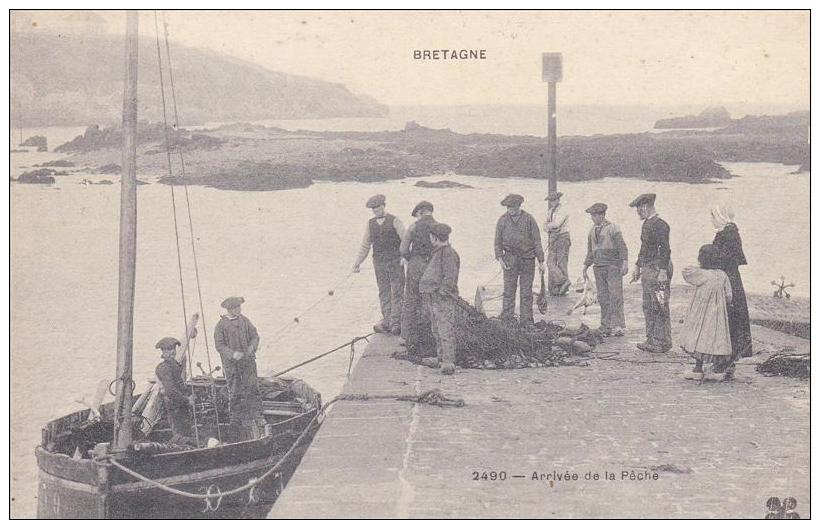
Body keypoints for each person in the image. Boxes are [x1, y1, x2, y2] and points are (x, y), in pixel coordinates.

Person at [352, 194, 406, 335]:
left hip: (395, 263)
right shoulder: (370, 224)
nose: (376, 210)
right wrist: (357, 263)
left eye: (378, 207)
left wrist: (405, 257)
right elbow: (365, 245)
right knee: (383, 292)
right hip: (379, 264)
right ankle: (387, 320)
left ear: (384, 206)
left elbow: (405, 241)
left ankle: (396, 323)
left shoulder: (395, 221)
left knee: (397, 292)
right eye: (373, 208)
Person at [680, 245, 733, 380]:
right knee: (716, 337)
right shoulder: (722, 275)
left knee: (699, 336)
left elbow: (685, 272)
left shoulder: (701, 274)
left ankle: (698, 368)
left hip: (701, 312)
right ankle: (716, 371)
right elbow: (729, 296)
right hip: (718, 315)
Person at [711, 205, 752, 379]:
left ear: (720, 216)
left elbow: (723, 259)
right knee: (732, 320)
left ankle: (724, 363)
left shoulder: (726, 234)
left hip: (727, 280)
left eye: (713, 216)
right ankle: (728, 363)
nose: (712, 220)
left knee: (727, 320)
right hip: (732, 279)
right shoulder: (731, 232)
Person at [629, 193, 673, 353]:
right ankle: (652, 339)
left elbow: (666, 250)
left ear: (646, 207)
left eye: (639, 208)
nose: (638, 212)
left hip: (657, 269)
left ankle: (661, 341)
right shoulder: (647, 224)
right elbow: (644, 248)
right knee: (648, 305)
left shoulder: (661, 225)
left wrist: (662, 271)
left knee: (659, 305)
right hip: (648, 269)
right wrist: (637, 266)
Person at [214, 296, 262, 441]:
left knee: (252, 387)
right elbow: (219, 345)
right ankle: (235, 420)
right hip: (231, 366)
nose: (239, 310)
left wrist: (251, 348)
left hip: (248, 362)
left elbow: (255, 336)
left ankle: (257, 415)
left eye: (240, 308)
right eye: (236, 308)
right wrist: (232, 354)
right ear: (229, 309)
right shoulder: (221, 325)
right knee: (234, 391)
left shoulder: (244, 320)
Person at [495, 194, 546, 327]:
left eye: (512, 207)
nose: (510, 209)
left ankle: (527, 321)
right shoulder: (502, 220)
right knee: (508, 291)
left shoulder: (529, 219)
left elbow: (537, 241)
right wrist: (500, 258)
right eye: (508, 207)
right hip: (509, 260)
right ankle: (507, 319)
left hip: (527, 259)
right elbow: (497, 242)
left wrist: (541, 261)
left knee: (526, 292)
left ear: (519, 206)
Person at [419, 223, 460, 375]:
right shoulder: (439, 252)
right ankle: (441, 357)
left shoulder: (448, 253)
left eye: (431, 237)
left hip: (442, 297)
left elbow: (450, 276)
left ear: (434, 238)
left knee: (445, 328)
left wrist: (443, 291)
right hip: (433, 295)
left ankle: (448, 361)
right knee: (436, 328)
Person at [582, 203, 629, 336]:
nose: (592, 218)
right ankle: (605, 325)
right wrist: (585, 266)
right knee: (603, 297)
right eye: (592, 215)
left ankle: (618, 325)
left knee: (615, 295)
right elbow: (590, 252)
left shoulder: (613, 228)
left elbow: (622, 247)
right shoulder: (591, 231)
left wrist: (624, 263)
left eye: (595, 215)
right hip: (598, 267)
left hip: (613, 267)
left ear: (602, 215)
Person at [399, 201, 437, 352]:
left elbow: (403, 248)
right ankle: (430, 335)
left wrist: (410, 258)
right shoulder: (438, 227)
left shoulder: (413, 227)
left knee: (410, 299)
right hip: (433, 265)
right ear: (430, 212)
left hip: (416, 265)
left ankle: (405, 336)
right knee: (430, 299)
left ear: (420, 212)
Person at [154, 336, 196, 445]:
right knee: (179, 435)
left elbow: (180, 384)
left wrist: (190, 393)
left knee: (186, 432)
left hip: (181, 404)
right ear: (163, 352)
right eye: (168, 349)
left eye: (173, 348)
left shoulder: (174, 365)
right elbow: (170, 390)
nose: (172, 351)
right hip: (174, 405)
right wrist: (187, 400)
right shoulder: (163, 368)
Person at [544, 191, 572, 295]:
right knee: (550, 262)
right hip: (553, 238)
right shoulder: (550, 211)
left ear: (558, 200)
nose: (552, 202)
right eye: (551, 200)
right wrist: (548, 227)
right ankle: (563, 281)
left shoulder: (563, 210)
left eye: (554, 200)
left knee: (562, 263)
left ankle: (562, 289)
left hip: (563, 238)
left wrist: (549, 226)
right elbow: (545, 225)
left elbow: (556, 225)